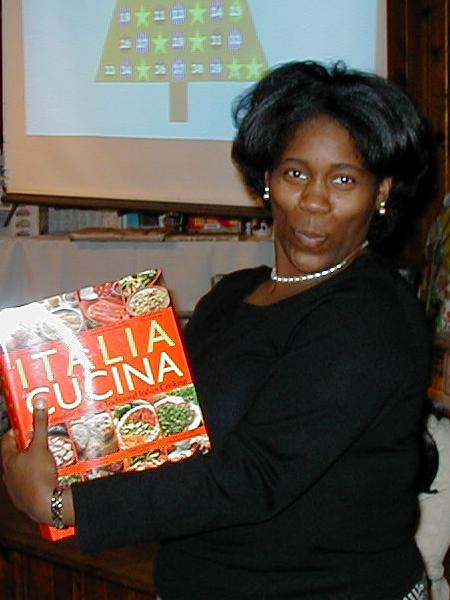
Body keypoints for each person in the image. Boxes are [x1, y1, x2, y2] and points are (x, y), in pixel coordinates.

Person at [1, 61, 435, 599]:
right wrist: (53, 440)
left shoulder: (371, 316)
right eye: (295, 173)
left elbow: (255, 476)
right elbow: (166, 431)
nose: (314, 200)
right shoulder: (232, 295)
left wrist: (62, 504)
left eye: (343, 180)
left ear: (382, 191)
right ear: (267, 179)